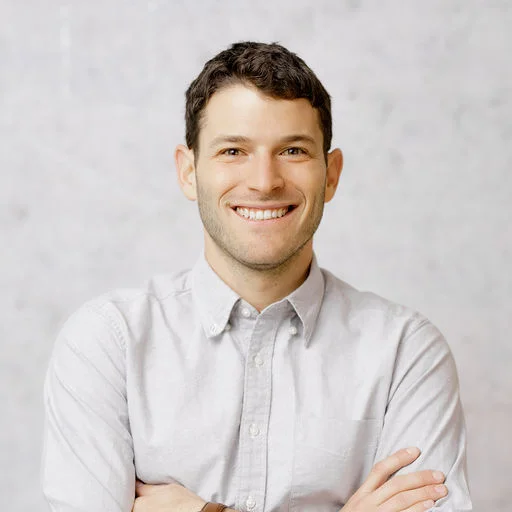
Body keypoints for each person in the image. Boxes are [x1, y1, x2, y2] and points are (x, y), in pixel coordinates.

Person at [41, 41, 473, 512]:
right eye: (233, 150)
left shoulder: (406, 353)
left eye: (293, 150)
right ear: (188, 172)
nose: (264, 181)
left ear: (331, 174)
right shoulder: (109, 342)